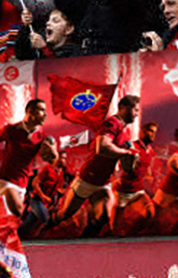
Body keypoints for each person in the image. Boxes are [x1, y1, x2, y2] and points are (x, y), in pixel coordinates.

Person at [52, 95, 138, 236]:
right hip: (87, 179)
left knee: (104, 217)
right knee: (64, 215)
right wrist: (125, 153)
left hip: (104, 182)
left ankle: (85, 241)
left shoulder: (124, 132)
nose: (137, 114)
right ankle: (44, 226)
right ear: (123, 107)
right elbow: (102, 147)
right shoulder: (112, 123)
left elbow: (126, 166)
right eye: (135, 109)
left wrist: (131, 158)